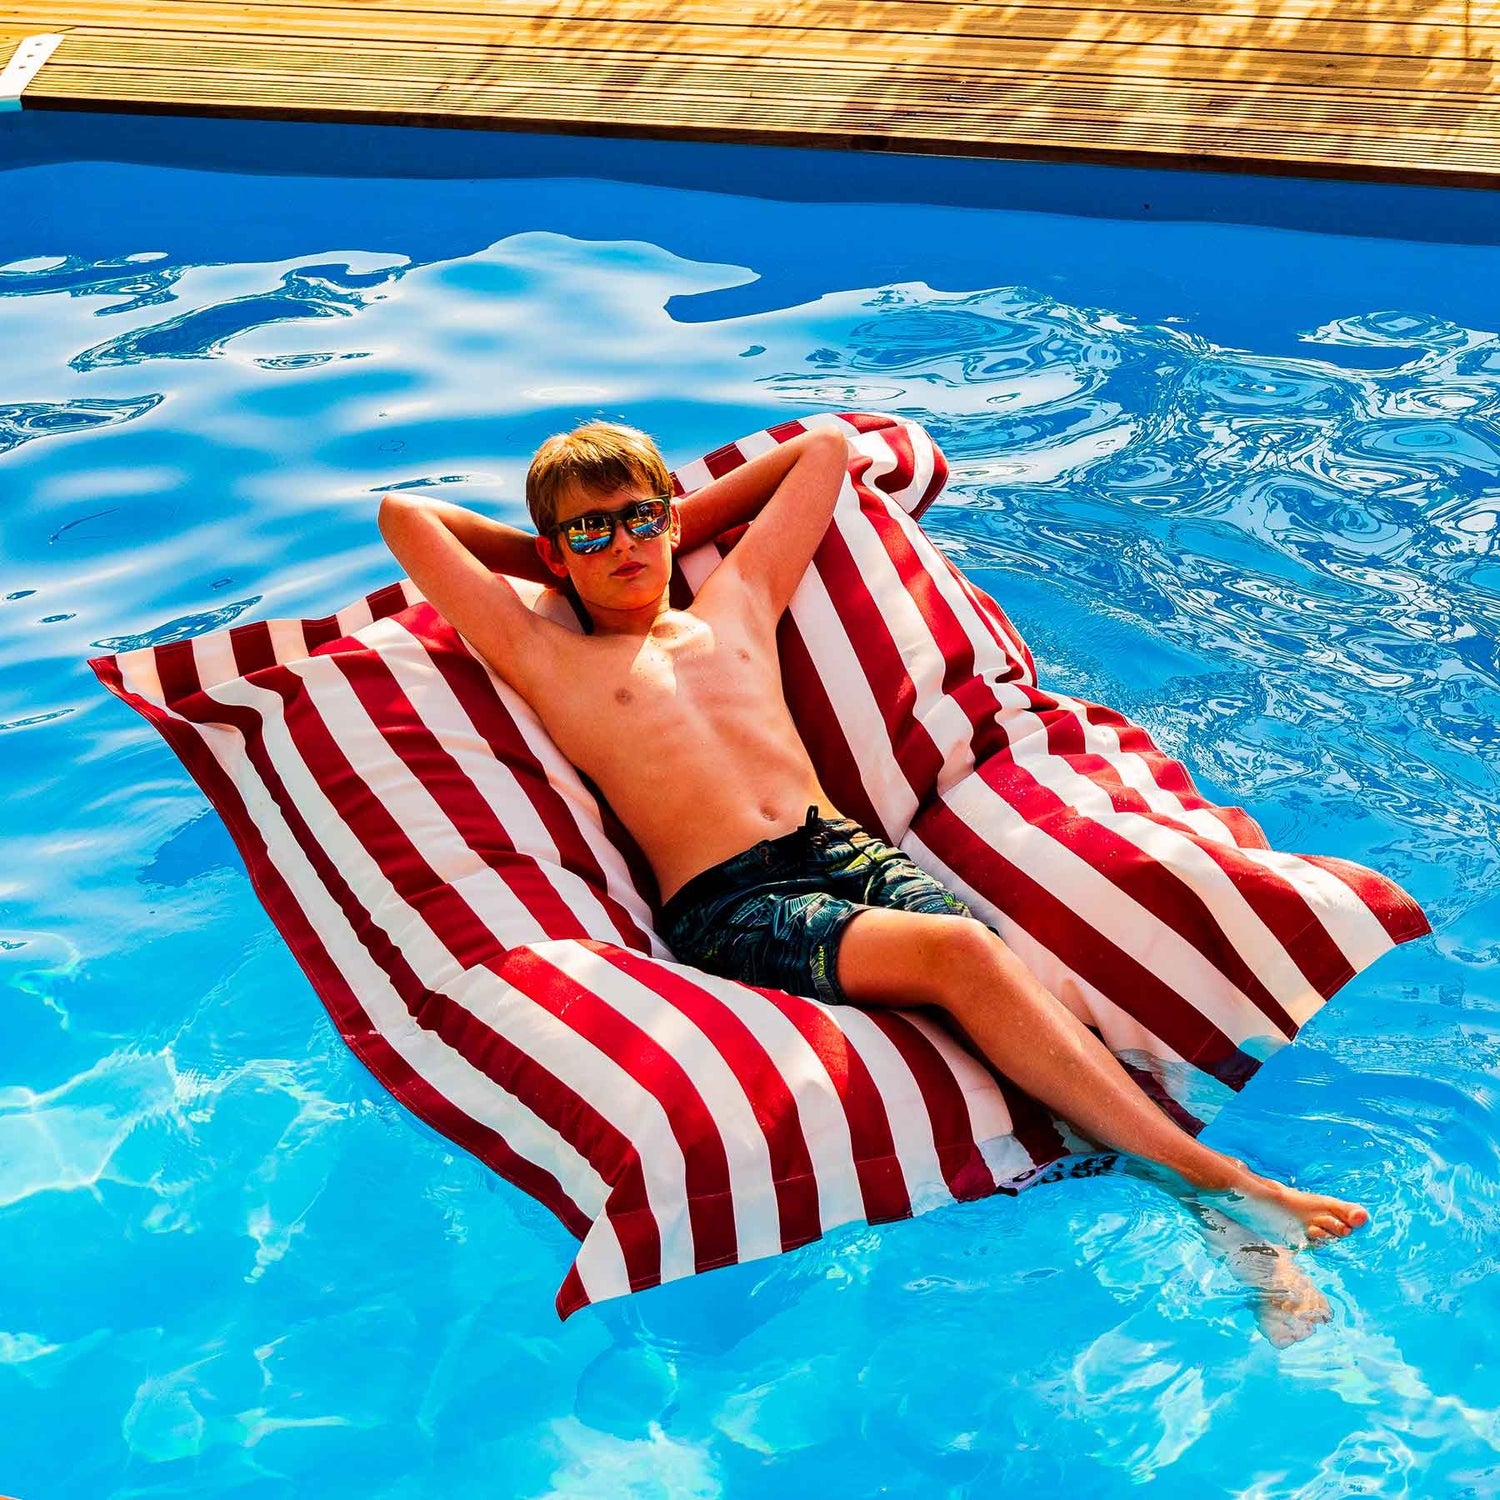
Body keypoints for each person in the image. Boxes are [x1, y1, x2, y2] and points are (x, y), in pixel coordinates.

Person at [378, 418, 1367, 1345]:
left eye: (641, 518)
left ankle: (1231, 1235)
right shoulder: (546, 653)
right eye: (590, 533)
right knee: (965, 956)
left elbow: (822, 453)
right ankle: (1234, 1183)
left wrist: (664, 522)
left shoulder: (736, 606)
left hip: (849, 855)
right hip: (735, 902)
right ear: (551, 554)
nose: (624, 545)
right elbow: (405, 519)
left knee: (1047, 1030)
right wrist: (565, 551)